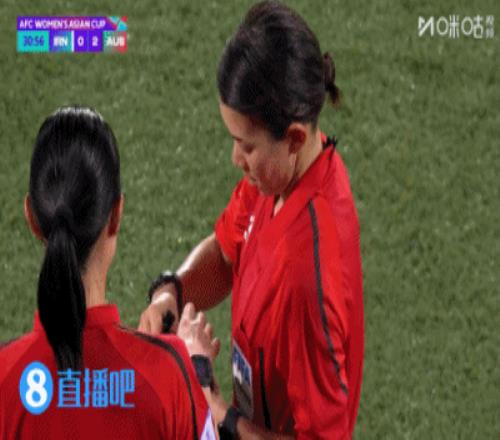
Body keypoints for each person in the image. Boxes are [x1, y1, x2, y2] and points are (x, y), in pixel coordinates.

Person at [140, 1, 364, 438]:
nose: (235, 159)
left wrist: (220, 413)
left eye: (246, 145)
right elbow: (227, 252)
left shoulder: (307, 278)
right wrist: (172, 292)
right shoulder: (281, 176)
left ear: (293, 138)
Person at [0, 106, 216, 439]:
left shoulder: (5, 379)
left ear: (32, 218)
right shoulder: (168, 374)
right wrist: (197, 373)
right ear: (116, 215)